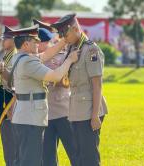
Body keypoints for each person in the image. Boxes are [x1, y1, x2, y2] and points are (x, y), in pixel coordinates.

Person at [9, 24, 78, 166]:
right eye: (35, 41)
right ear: (26, 44)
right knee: (31, 161)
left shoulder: (19, 57)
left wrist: (64, 40)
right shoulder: (28, 61)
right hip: (31, 118)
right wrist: (70, 60)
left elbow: (46, 55)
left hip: (25, 115)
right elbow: (55, 76)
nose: (38, 43)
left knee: (26, 158)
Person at [51, 13, 108, 166]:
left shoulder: (90, 50)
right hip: (75, 109)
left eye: (65, 34)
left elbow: (97, 85)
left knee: (89, 157)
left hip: (89, 110)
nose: (64, 38)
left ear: (75, 29)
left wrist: (95, 115)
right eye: (61, 34)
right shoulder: (72, 49)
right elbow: (68, 81)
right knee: (79, 156)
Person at [33, 19, 78, 166]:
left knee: (74, 153)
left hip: (63, 112)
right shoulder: (34, 60)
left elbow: (68, 80)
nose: (36, 45)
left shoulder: (63, 55)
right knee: (47, 158)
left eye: (38, 41)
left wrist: (53, 79)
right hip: (45, 114)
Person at [0, 25, 17, 166]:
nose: (3, 41)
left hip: (12, 107)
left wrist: (11, 107)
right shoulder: (6, 56)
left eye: (6, 39)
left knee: (13, 148)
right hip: (4, 105)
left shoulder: (15, 57)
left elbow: (14, 84)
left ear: (13, 40)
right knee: (8, 146)